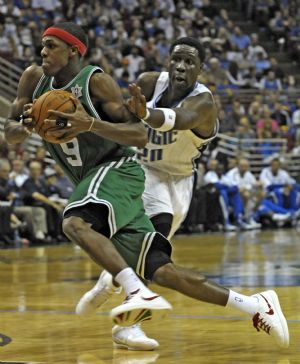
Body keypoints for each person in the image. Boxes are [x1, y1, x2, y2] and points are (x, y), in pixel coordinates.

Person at [74, 37, 289, 350]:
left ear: (200, 69)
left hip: (180, 182)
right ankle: (127, 325)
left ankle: (109, 282)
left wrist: (145, 114)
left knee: (148, 254)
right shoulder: (148, 82)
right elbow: (122, 117)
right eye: (176, 59)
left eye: (190, 62)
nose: (181, 66)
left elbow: (180, 120)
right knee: (152, 254)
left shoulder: (204, 103)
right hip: (143, 173)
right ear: (167, 62)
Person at [4, 21, 172, 327]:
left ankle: (135, 291)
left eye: (51, 46)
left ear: (73, 51)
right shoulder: (33, 78)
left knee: (73, 223)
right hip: (88, 180)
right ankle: (252, 303)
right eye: (42, 44)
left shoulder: (96, 82)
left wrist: (90, 124)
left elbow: (138, 136)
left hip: (114, 166)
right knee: (156, 266)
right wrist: (27, 126)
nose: (43, 51)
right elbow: (10, 133)